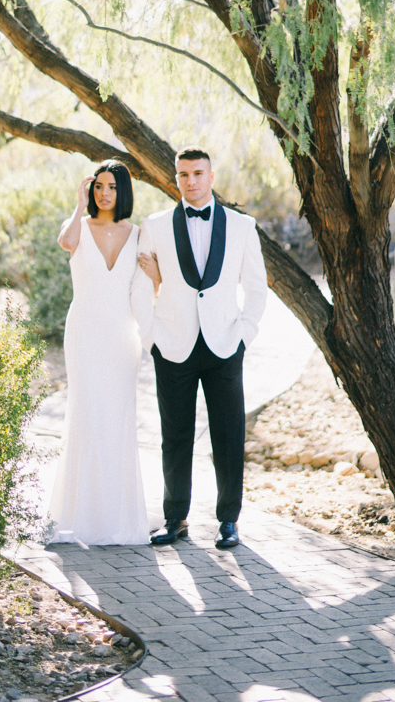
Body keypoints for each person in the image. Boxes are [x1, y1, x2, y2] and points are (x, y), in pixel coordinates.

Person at [131, 147, 267, 550]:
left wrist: (244, 335)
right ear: (176, 179)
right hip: (172, 345)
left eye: (198, 173)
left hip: (225, 344)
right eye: (183, 175)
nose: (191, 181)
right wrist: (151, 336)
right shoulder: (154, 225)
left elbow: (257, 288)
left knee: (228, 435)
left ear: (212, 175)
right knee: (175, 436)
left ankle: (228, 520)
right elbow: (141, 286)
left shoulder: (242, 227)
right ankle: (175, 517)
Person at [47, 159, 161, 545]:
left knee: (117, 418)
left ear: (122, 191)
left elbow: (144, 290)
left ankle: (117, 512)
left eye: (111, 187)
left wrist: (158, 282)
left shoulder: (139, 233)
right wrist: (79, 204)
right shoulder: (80, 227)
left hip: (121, 337)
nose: (104, 193)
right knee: (86, 413)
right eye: (99, 186)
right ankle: (80, 513)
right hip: (84, 333)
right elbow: (66, 242)